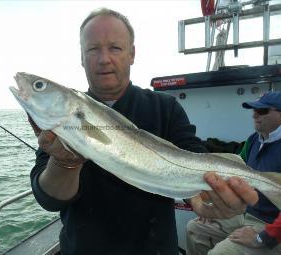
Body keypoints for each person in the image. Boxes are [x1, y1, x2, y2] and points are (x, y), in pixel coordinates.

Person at [29, 8, 258, 255]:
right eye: (92, 49)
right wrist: (65, 163)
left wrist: (208, 200)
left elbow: (194, 158)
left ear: (132, 54)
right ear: (82, 58)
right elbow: (49, 199)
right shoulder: (58, 124)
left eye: (115, 48)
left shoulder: (165, 107)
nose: (104, 59)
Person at [186, 91, 281, 255]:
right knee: (195, 228)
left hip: (271, 224)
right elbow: (235, 173)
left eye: (262, 110)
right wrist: (214, 206)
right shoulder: (253, 140)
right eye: (253, 110)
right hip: (246, 213)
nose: (255, 115)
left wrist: (263, 238)